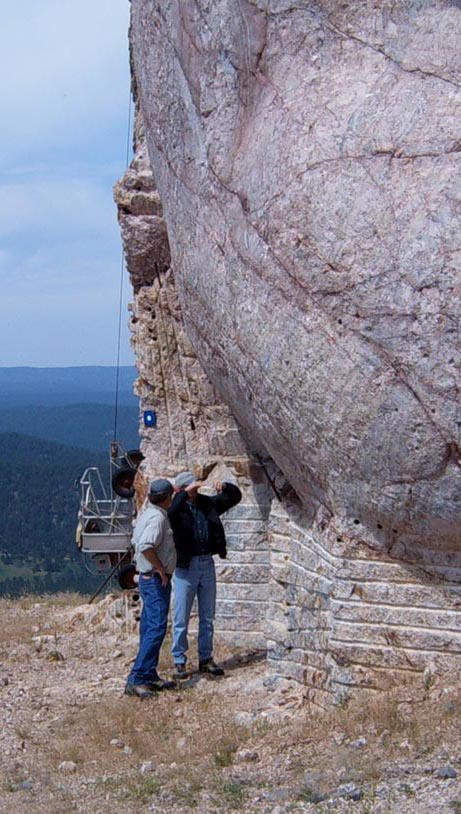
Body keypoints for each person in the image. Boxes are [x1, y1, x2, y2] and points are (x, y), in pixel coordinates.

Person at [168, 472, 242, 679]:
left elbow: (235, 497)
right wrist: (184, 493)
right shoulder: (177, 509)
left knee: (207, 616)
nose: (195, 491)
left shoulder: (207, 504)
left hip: (206, 562)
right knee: (181, 617)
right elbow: (171, 511)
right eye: (191, 488)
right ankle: (179, 660)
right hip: (185, 566)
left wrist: (225, 487)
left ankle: (205, 658)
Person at [125, 478, 177, 699]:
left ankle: (149, 674)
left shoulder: (147, 513)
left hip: (147, 578)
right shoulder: (158, 518)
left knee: (148, 626)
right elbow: (147, 545)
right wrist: (160, 568)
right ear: (166, 498)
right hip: (156, 579)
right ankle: (137, 678)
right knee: (156, 627)